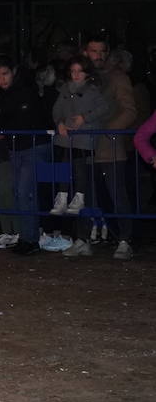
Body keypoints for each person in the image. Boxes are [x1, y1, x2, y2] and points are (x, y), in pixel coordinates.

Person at [0, 56, 55, 255]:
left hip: (34, 147)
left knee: (25, 192)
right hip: (17, 149)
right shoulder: (0, 95)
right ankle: (29, 236)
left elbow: (18, 120)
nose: (1, 79)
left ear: (13, 72)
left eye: (4, 74)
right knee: (22, 192)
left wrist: (3, 126)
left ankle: (31, 238)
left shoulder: (25, 91)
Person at [83, 36, 138, 259]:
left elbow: (130, 110)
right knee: (87, 196)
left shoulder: (117, 77)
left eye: (102, 51)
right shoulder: (83, 77)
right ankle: (87, 238)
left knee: (117, 197)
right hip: (85, 148)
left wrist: (110, 129)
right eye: (94, 51)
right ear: (86, 52)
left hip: (109, 148)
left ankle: (125, 239)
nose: (99, 55)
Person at [51, 56, 109, 257]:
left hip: (84, 139)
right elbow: (57, 109)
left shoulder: (93, 91)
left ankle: (79, 198)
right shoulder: (64, 90)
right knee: (63, 167)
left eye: (80, 71)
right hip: (66, 138)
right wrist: (59, 122)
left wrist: (85, 118)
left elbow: (103, 108)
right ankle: (62, 196)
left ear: (86, 73)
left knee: (80, 169)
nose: (75, 75)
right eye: (73, 71)